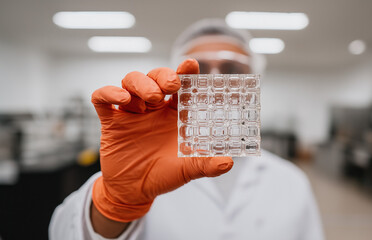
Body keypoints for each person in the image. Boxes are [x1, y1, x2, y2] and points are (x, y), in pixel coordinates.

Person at [49, 19, 324, 240]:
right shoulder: (141, 164)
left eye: (231, 69)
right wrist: (116, 204)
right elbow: (62, 233)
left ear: (255, 81)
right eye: (200, 68)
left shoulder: (292, 182)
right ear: (178, 79)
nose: (216, 81)